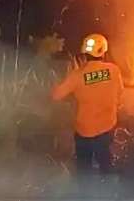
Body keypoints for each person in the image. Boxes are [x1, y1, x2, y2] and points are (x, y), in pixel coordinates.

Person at [52, 33, 123, 175]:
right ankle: (108, 190)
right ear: (103, 50)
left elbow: (56, 96)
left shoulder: (77, 75)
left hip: (85, 131)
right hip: (107, 127)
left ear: (85, 52)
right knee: (105, 165)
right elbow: (119, 92)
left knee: (84, 170)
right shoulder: (114, 71)